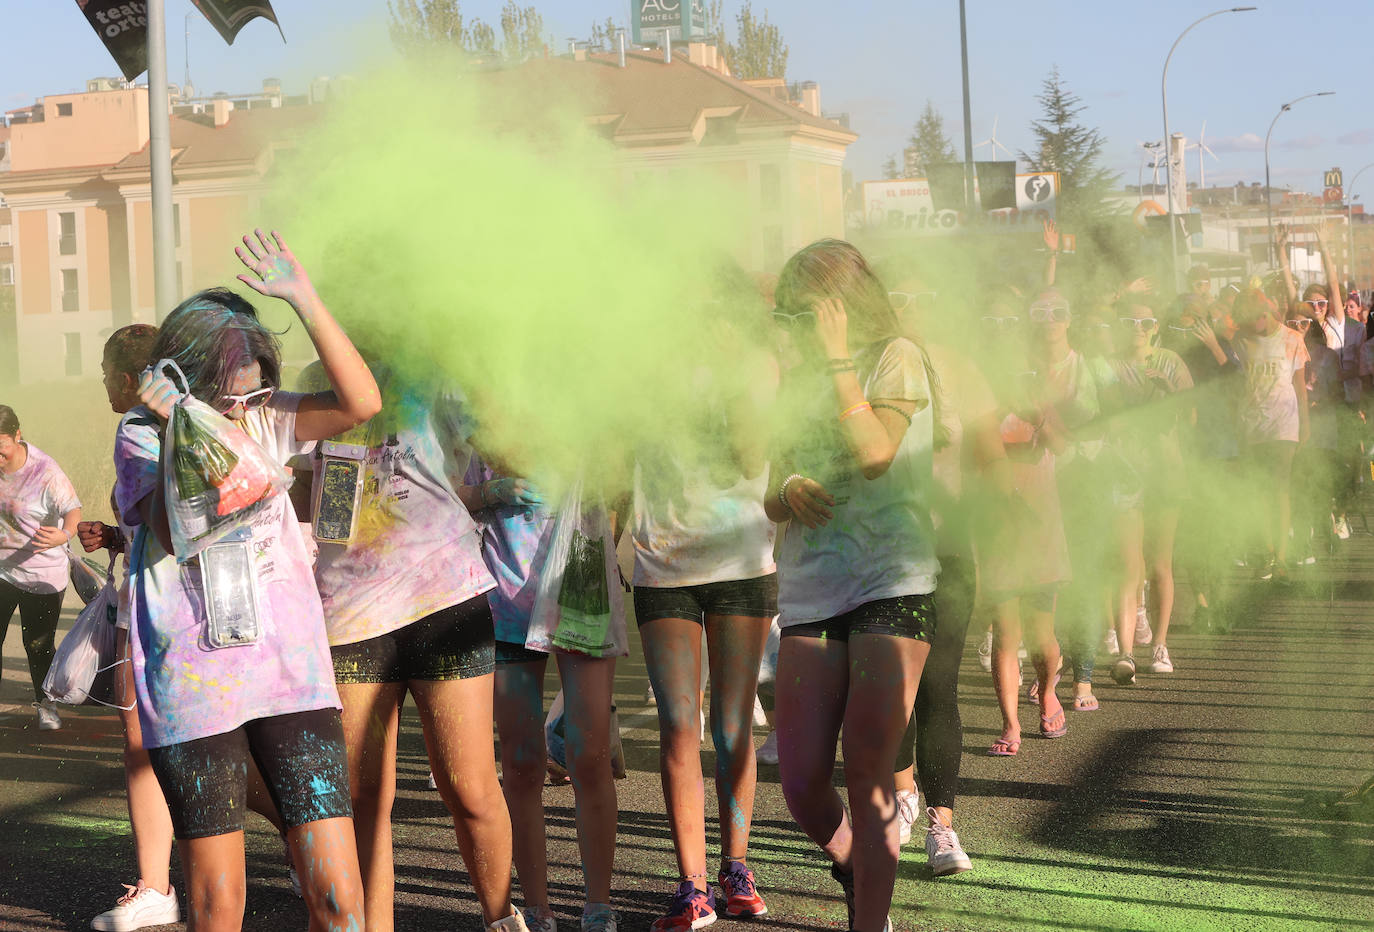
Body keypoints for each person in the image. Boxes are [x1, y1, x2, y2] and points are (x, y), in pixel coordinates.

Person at [115, 230, 379, 931]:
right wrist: (181, 427)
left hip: (291, 677)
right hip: (198, 687)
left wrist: (305, 298)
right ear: (191, 377)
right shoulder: (145, 435)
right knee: (218, 900)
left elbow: (360, 403)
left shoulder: (272, 415)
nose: (245, 406)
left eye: (256, 387)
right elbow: (176, 528)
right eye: (228, 395)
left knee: (338, 896)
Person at [294, 361, 527, 932]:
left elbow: (512, 447)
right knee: (360, 799)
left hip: (442, 597)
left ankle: (502, 920)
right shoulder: (314, 384)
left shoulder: (436, 371)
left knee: (468, 787)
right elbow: (305, 496)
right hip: (349, 613)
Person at [766, 239, 939, 932]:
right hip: (813, 587)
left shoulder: (897, 354)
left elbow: (873, 453)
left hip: (891, 578)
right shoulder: (795, 377)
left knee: (869, 773)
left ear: (839, 304)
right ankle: (857, 867)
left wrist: (839, 362)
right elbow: (771, 491)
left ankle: (872, 921)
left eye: (800, 311)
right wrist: (788, 487)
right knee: (803, 781)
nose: (792, 327)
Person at [631, 270, 778, 930]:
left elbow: (750, 455)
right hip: (663, 562)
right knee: (678, 726)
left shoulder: (757, 366)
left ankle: (736, 866)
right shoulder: (644, 363)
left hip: (741, 560)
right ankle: (691, 883)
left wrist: (724, 372)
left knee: (731, 725)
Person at [466, 459, 622, 932]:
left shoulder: (582, 401)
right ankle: (537, 907)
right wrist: (493, 491)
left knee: (589, 756)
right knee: (521, 763)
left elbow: (618, 484)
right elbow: (448, 495)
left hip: (581, 591)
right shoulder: (480, 409)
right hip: (504, 599)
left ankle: (598, 905)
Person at [884, 264, 1003, 873]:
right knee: (893, 692)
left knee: (939, 686)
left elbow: (988, 456)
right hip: (888, 549)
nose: (912, 306)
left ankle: (943, 824)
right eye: (900, 295)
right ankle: (902, 796)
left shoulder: (962, 367)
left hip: (950, 546)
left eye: (922, 294)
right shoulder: (873, 366)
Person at [75, 324, 186, 932]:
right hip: (195, 602)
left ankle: (156, 886)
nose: (102, 388)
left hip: (162, 609)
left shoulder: (137, 428)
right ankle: (308, 841)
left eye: (103, 376)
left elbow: (170, 526)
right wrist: (118, 535)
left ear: (126, 378)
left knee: (144, 740)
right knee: (207, 741)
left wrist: (132, 529)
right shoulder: (208, 420)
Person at [1107, 302, 1193, 683]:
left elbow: (1189, 415)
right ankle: (1125, 652)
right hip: (1125, 471)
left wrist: (1167, 390)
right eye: (1130, 321)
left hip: (1165, 471)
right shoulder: (1108, 365)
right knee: (1127, 565)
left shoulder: (1171, 361)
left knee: (1159, 563)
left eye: (1145, 322)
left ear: (1155, 326)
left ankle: (1159, 644)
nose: (1137, 328)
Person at [0, 404, 82, 730]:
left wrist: (63, 533)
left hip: (41, 574)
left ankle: (46, 705)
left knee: (37, 645)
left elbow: (73, 511)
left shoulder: (45, 473)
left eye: (2, 450)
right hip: (3, 570)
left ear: (17, 436)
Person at [1232, 287, 1309, 580]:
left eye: (1259, 318)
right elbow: (1238, 384)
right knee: (1259, 490)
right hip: (1252, 422)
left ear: (1267, 312)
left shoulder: (1292, 339)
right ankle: (1266, 552)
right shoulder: (1242, 340)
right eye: (1250, 320)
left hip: (1284, 423)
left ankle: (1282, 557)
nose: (1256, 324)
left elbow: (1300, 388)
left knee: (1280, 488)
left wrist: (1306, 425)